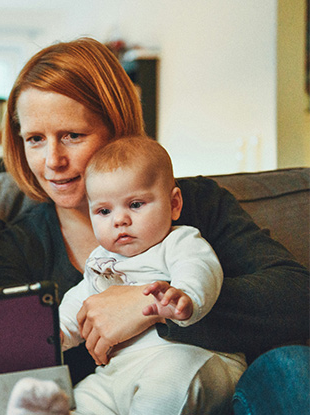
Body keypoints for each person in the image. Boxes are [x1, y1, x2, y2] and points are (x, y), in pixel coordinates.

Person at [0, 37, 308, 413]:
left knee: (291, 367)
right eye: (35, 139)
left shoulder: (195, 204)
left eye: (72, 135)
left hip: (219, 391)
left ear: (116, 128)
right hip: (107, 395)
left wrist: (148, 306)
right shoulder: (19, 247)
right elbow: (9, 362)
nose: (53, 160)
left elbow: (298, 299)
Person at [52, 135, 244, 413]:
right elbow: (80, 302)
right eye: (104, 211)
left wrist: (185, 296)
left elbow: (200, 268)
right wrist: (56, 332)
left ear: (174, 204)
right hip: (119, 371)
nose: (120, 220)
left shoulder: (179, 242)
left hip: (190, 357)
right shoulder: (101, 261)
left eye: (136, 204)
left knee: (165, 385)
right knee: (83, 399)